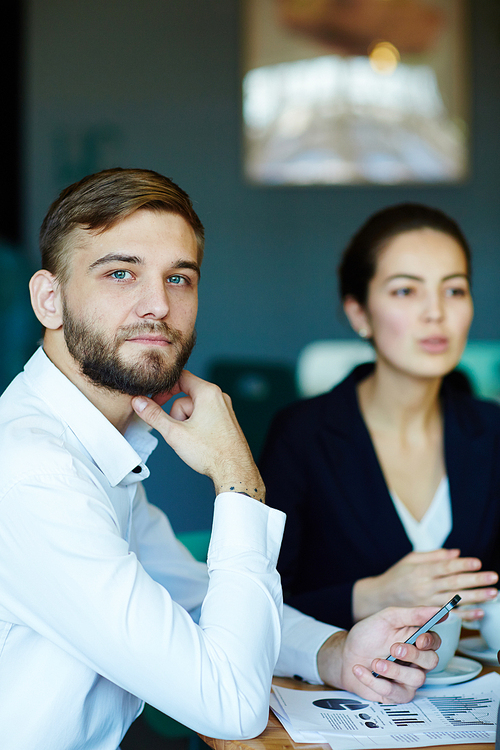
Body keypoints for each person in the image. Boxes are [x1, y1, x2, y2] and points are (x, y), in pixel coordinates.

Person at [0, 172, 439, 750]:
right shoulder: (39, 473)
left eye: (178, 278)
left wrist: (335, 652)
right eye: (120, 273)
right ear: (49, 299)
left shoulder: (91, 449)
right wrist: (237, 478)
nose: (158, 305)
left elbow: (196, 597)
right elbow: (230, 705)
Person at [260, 202, 500, 631]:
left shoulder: (495, 431)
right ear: (359, 313)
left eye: (454, 290)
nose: (436, 313)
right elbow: (258, 604)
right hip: (341, 689)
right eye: (406, 291)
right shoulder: (302, 435)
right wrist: (374, 596)